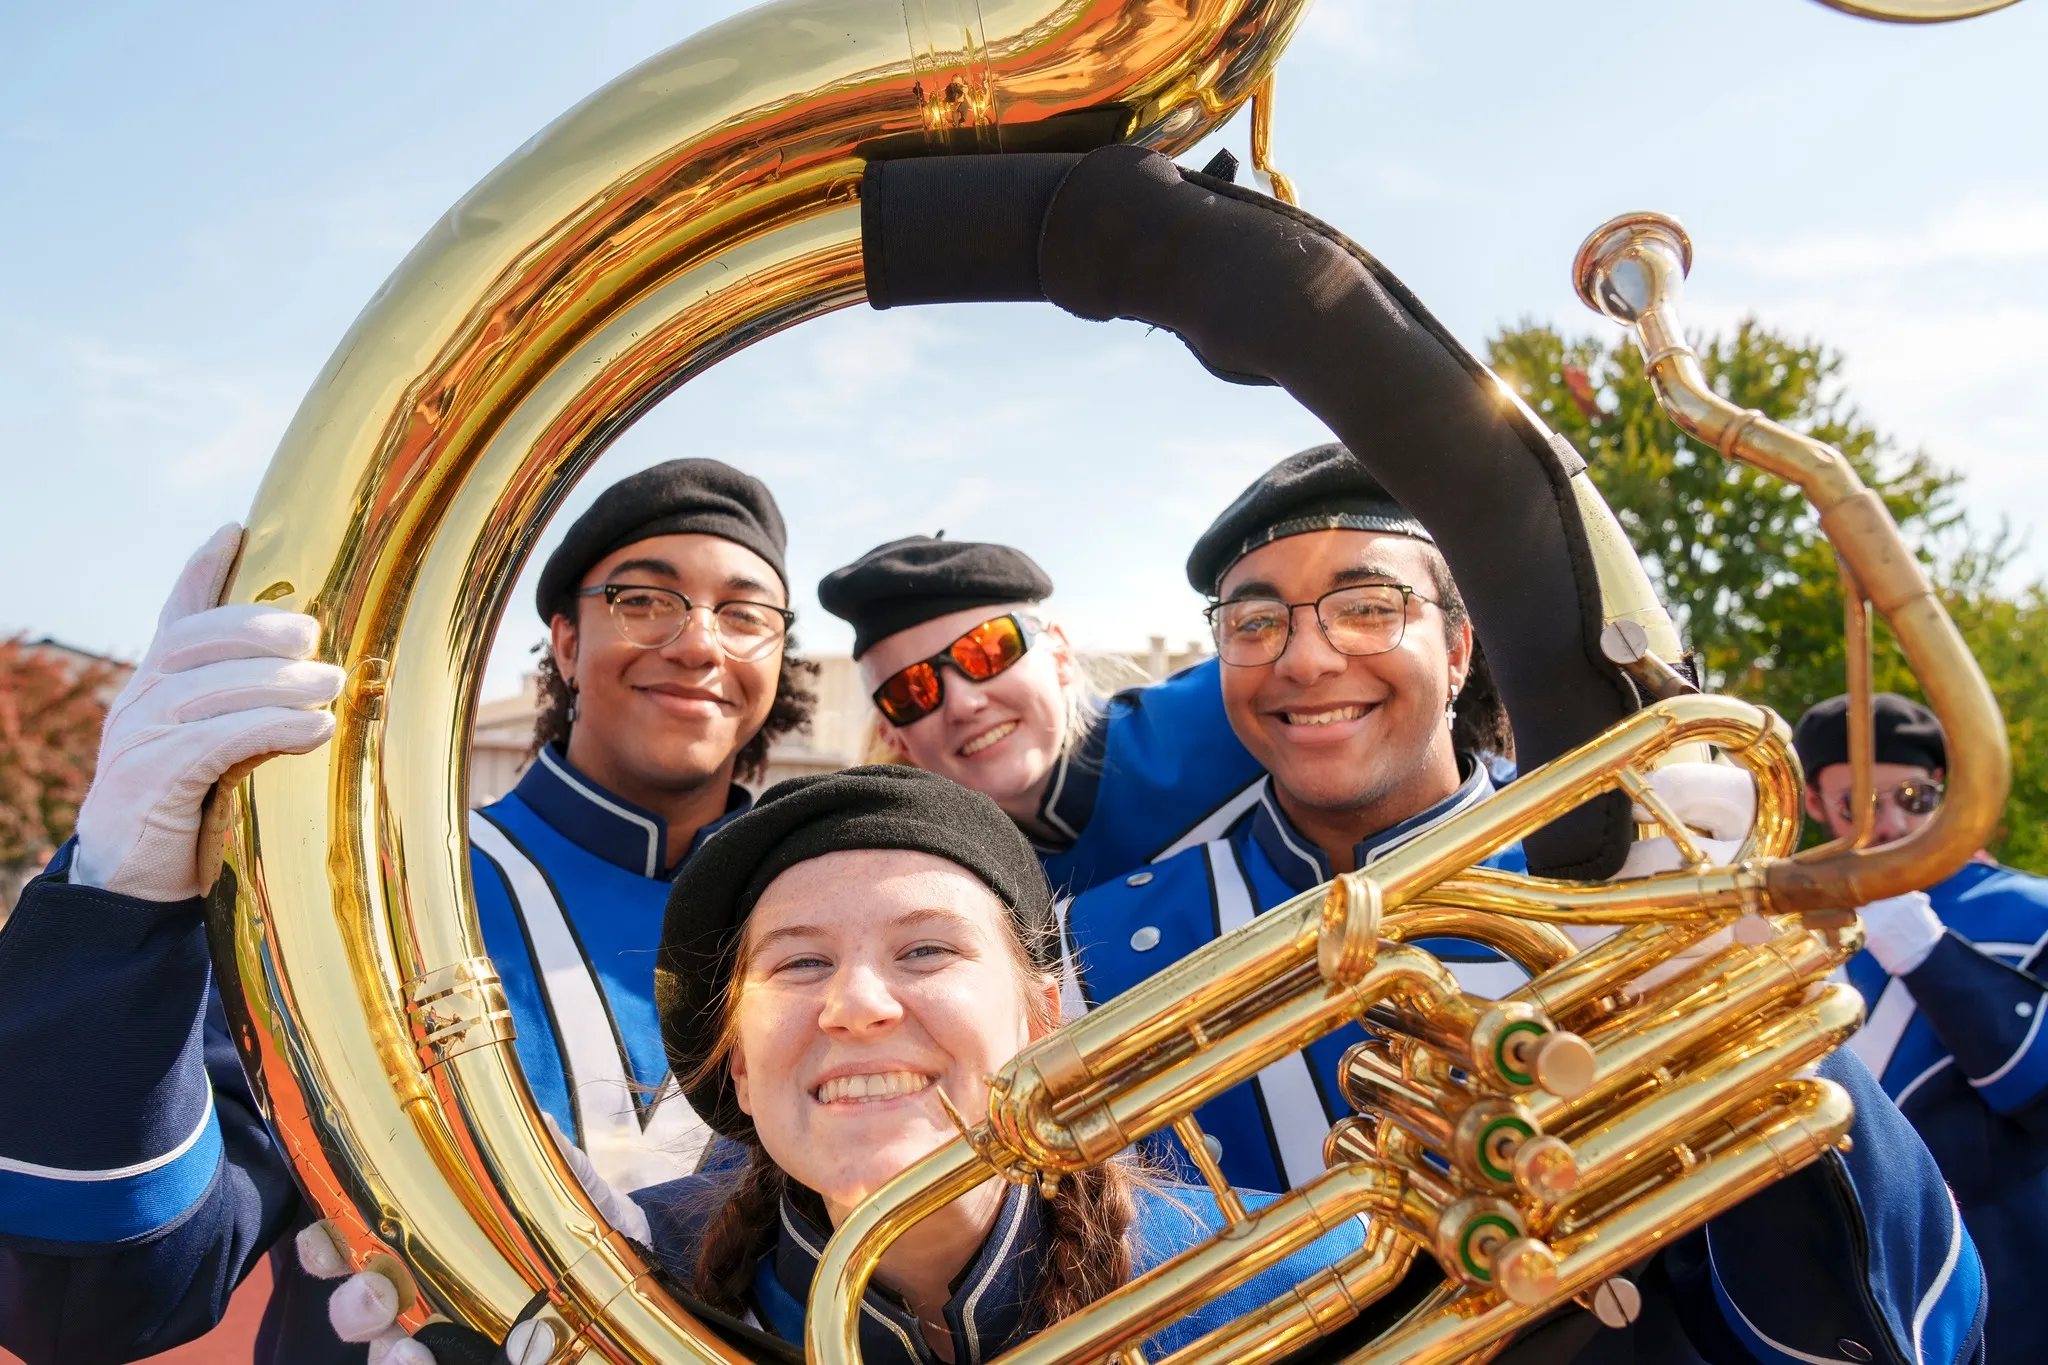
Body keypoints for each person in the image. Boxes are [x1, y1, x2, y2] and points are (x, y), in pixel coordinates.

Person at [1060, 445, 1987, 1363]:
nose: (1304, 658)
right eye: (1254, 622)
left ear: (1460, 649)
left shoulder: (1625, 879)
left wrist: (1731, 996)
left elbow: (1910, 1308)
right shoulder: (1096, 945)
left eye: (1368, 608)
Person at [0, 458, 816, 1364]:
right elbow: (107, 1297)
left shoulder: (835, 931)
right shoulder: (368, 887)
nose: (701, 643)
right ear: (567, 643)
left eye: (746, 615)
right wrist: (116, 895)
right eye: (644, 600)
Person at [325, 770, 1373, 1364]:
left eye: (925, 949)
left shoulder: (1291, 1277)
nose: (858, 1004)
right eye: (798, 963)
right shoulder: (618, 1293)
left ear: (1043, 1019)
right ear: (737, 1062)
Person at [1795, 692, 2047, 1364]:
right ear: (1816, 803)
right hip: (1853, 1305)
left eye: (1915, 795)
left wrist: (1928, 953)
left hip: (2018, 1298)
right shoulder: (1793, 932)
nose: (1896, 822)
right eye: (1860, 804)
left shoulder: (2031, 914)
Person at [818, 535, 1264, 899]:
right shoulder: (942, 887)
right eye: (912, 691)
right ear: (895, 736)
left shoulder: (1234, 711)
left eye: (989, 650)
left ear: (1060, 655)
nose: (963, 704)